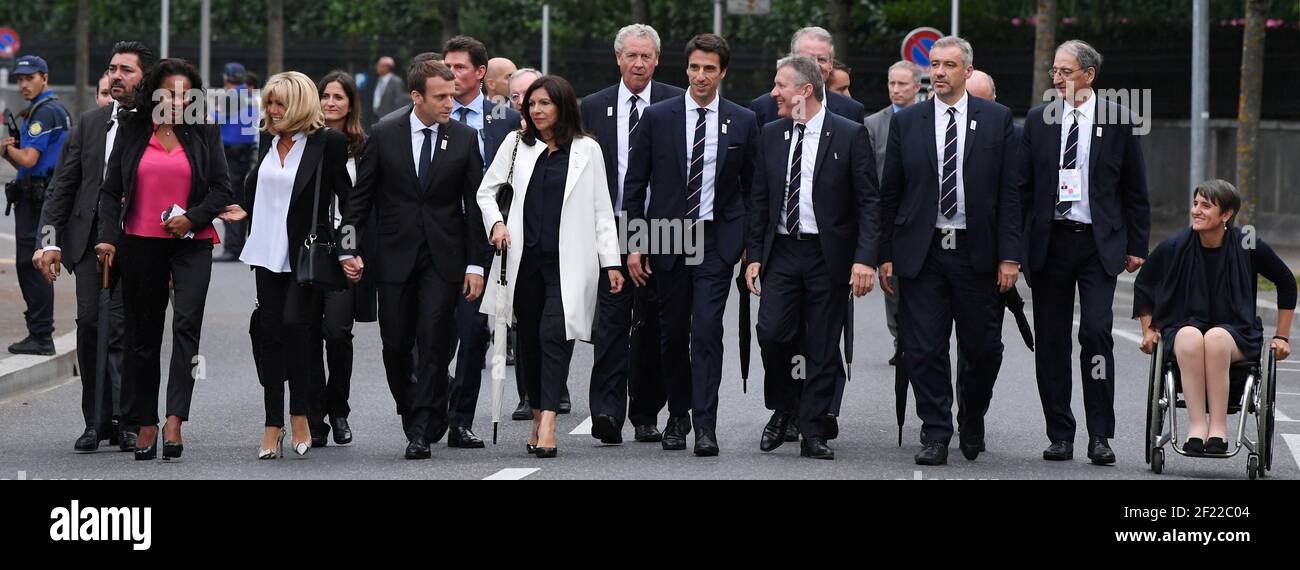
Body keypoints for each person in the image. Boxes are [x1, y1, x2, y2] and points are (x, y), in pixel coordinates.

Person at [878, 37, 1021, 466]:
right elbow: (890, 194)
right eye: (934, 65)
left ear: (968, 71)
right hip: (923, 253)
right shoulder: (911, 122)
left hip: (976, 254)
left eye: (949, 65)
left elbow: (1010, 194)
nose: (938, 72)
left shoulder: (997, 120)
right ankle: (936, 431)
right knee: (922, 348)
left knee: (982, 349)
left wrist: (1010, 256)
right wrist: (885, 253)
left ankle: (972, 418)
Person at [339, 60, 487, 460]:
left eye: (452, 95)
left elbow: (475, 207)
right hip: (393, 256)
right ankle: (413, 407)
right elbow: (359, 200)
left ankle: (421, 428)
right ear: (416, 96)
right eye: (440, 96)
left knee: (435, 339)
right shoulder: (383, 134)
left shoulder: (464, 138)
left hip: (444, 258)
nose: (449, 103)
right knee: (396, 344)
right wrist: (347, 247)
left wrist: (476, 265)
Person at [94, 58, 239, 460]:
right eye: (169, 92)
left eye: (184, 94)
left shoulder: (204, 131)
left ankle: (175, 418)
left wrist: (191, 217)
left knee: (186, 327)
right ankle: (144, 421)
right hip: (140, 243)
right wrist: (108, 238)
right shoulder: (133, 127)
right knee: (143, 335)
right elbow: (110, 192)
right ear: (155, 93)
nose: (176, 100)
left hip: (192, 243)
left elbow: (221, 188)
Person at [622, 34, 759, 455]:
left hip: (716, 238)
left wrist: (749, 248)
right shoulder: (659, 117)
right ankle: (677, 414)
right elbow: (635, 184)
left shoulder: (742, 120)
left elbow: (753, 190)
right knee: (672, 331)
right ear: (685, 69)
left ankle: (705, 424)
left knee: (706, 330)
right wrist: (635, 243)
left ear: (723, 73)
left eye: (710, 69)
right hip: (667, 235)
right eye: (695, 67)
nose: (701, 76)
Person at [478, 75, 624, 458]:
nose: (537, 110)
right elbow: (486, 191)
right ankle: (538, 414)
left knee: (554, 335)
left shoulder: (586, 150)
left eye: (545, 103)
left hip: (569, 264)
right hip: (523, 261)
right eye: (532, 105)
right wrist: (496, 223)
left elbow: (601, 210)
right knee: (528, 341)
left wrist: (611, 262)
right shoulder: (515, 145)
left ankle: (548, 425)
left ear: (563, 106)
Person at [1019, 40, 1150, 465]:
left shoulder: (1119, 120)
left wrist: (1137, 246)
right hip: (1050, 242)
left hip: (1097, 243)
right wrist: (1016, 247)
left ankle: (1100, 435)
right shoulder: (1039, 121)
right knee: (1052, 341)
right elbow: (1022, 189)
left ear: (1089, 76)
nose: (1056, 79)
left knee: (1095, 333)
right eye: (1054, 71)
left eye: (1065, 71)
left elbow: (1135, 189)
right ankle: (1060, 432)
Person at [745, 54, 878, 460]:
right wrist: (754, 256)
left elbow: (869, 203)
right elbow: (760, 200)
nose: (773, 93)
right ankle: (784, 406)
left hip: (828, 255)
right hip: (783, 252)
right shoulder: (771, 133)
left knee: (821, 346)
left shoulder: (850, 134)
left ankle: (813, 427)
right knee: (771, 333)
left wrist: (864, 259)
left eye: (780, 85)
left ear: (805, 91)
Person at [226, 71, 352, 459]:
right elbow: (260, 185)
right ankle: (272, 423)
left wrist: (350, 250)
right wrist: (241, 208)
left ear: (298, 105)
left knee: (299, 329)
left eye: (280, 104)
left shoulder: (327, 143)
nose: (272, 111)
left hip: (304, 256)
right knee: (271, 334)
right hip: (264, 252)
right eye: (269, 104)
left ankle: (300, 415)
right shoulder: (267, 137)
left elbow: (350, 201)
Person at [37, 41, 153, 453]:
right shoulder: (88, 124)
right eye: (112, 69)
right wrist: (47, 242)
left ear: (145, 78)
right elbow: (62, 187)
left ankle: (126, 419)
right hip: (87, 243)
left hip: (138, 241)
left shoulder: (158, 124)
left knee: (124, 330)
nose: (117, 76)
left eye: (126, 69)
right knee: (90, 327)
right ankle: (96, 420)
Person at [579, 23, 684, 443]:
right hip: (608, 225)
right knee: (611, 319)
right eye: (631, 55)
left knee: (656, 324)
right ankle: (606, 411)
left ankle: (646, 412)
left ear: (657, 59)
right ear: (618, 58)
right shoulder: (593, 106)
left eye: (646, 56)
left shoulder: (678, 102)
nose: (639, 63)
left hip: (665, 228)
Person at [1135, 180, 1295, 454]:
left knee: (1216, 338)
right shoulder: (1176, 245)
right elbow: (1145, 284)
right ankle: (1197, 427)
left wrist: (1282, 336)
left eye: (1206, 206)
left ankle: (1218, 428)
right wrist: (1148, 330)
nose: (1196, 210)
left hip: (1236, 331)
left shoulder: (1246, 243)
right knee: (1189, 336)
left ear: (1226, 215)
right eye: (1196, 203)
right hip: (1184, 325)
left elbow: (1286, 282)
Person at [441, 36, 523, 448]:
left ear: (480, 73)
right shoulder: (431, 113)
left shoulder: (505, 119)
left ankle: (459, 420)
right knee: (427, 334)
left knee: (473, 333)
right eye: (447, 66)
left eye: (460, 68)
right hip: (435, 234)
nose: (453, 75)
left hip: (486, 236)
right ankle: (433, 397)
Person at [307, 70, 374, 447]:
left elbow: (357, 206)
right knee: (307, 332)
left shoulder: (364, 146)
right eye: (325, 96)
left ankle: (339, 410)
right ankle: (314, 417)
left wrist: (349, 249)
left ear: (351, 104)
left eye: (339, 97)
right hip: (309, 248)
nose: (331, 103)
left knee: (337, 332)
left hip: (344, 249)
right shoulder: (303, 141)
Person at [4, 55, 70, 357]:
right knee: (29, 263)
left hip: (38, 199)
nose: (23, 84)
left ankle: (41, 335)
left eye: (29, 78)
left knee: (33, 265)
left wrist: (6, 148)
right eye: (19, 79)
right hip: (37, 197)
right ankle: (39, 332)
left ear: (44, 77)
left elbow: (29, 160)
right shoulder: (46, 109)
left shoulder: (46, 112)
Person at [865, 60, 922, 366]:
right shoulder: (874, 124)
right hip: (887, 215)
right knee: (892, 282)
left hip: (918, 214)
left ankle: (918, 338)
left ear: (917, 86)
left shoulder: (925, 119)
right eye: (892, 83)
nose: (896, 89)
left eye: (902, 84)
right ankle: (900, 338)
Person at [750, 27, 865, 127]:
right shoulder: (763, 108)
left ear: (830, 65)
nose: (815, 66)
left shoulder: (851, 110)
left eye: (821, 59)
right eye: (807, 59)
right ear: (792, 61)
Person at [212, 62, 258, 262]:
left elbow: (215, 118)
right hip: (245, 152)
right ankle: (240, 244)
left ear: (225, 77)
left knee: (231, 199)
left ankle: (233, 247)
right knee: (240, 195)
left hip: (230, 153)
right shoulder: (249, 96)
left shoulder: (230, 97)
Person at [364, 56, 405, 130]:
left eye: (379, 65)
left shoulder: (396, 81)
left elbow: (398, 103)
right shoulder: (376, 80)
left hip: (388, 118)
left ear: (386, 67)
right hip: (374, 116)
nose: (377, 67)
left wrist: (393, 118)